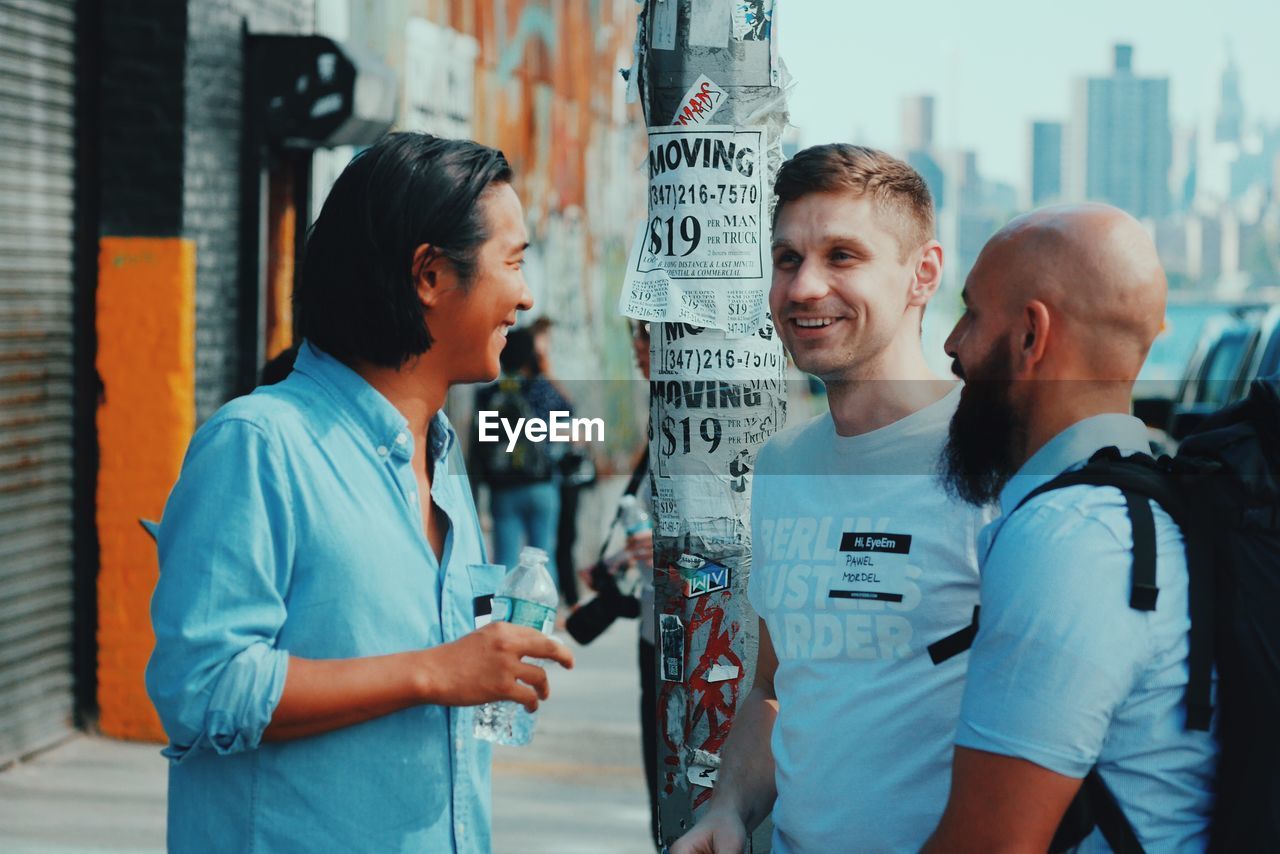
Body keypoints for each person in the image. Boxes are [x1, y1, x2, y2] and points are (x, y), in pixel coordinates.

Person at [145, 133, 574, 853]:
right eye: (513, 262)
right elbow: (203, 689)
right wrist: (435, 672)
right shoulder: (259, 444)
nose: (525, 297)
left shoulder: (440, 454)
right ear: (430, 275)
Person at [673, 144, 990, 853]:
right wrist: (728, 808)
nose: (806, 287)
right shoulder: (784, 466)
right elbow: (777, 689)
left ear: (923, 274)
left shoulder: (998, 465)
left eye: (842, 256)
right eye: (788, 260)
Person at [925, 203, 1218, 851]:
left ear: (1032, 335)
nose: (952, 344)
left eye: (971, 314)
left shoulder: (1071, 539)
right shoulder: (1152, 506)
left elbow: (989, 846)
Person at [473, 325, 572, 575]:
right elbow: (568, 410)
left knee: (505, 560)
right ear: (531, 356)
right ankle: (546, 612)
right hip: (541, 485)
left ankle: (503, 614)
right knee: (543, 562)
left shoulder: (487, 395)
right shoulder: (541, 391)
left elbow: (480, 441)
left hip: (503, 487)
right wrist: (545, 369)